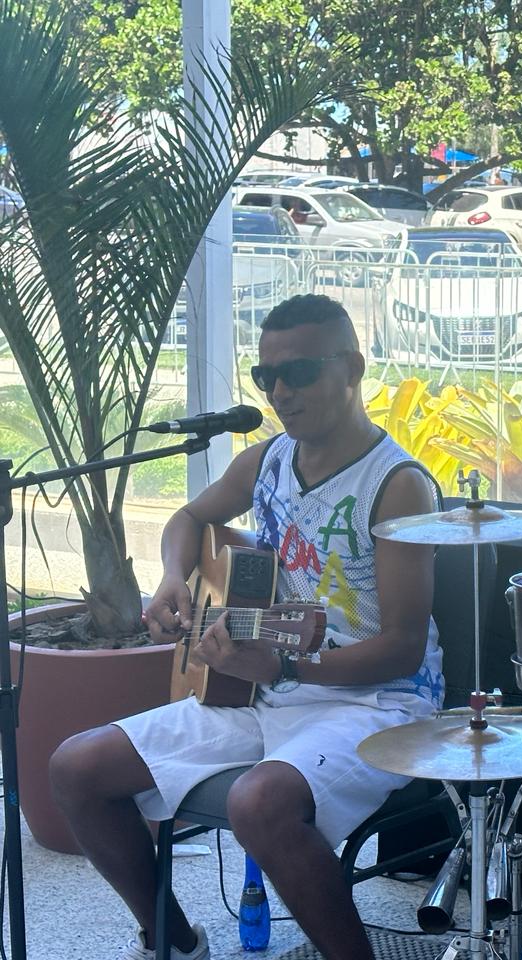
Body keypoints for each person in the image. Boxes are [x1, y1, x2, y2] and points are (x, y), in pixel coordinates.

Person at [49, 294, 443, 960]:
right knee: (75, 766)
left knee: (258, 802)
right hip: (266, 689)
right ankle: (171, 942)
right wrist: (171, 577)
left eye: (302, 372)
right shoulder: (266, 462)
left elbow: (403, 649)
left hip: (379, 703)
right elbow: (188, 520)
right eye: (267, 378)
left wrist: (286, 668)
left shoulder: (398, 485)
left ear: (352, 368)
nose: (282, 391)